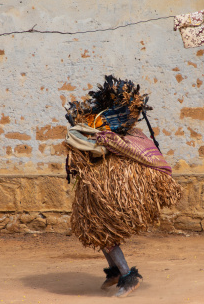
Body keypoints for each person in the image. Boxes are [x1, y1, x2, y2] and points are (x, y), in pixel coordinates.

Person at [64, 75, 181, 297]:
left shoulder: (127, 137)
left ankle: (128, 276)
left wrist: (107, 140)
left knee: (102, 230)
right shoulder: (109, 135)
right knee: (96, 230)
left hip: (121, 196)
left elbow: (138, 155)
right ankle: (117, 272)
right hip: (102, 194)